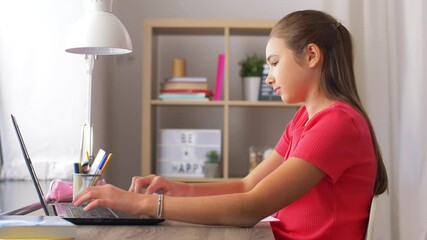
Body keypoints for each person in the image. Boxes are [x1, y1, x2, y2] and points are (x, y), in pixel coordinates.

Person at [73, 10, 388, 239]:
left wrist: (144, 204)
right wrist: (177, 189)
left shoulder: (337, 124)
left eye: (275, 63)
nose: (269, 77)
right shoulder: (304, 120)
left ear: (311, 55)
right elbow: (246, 185)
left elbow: (251, 207)